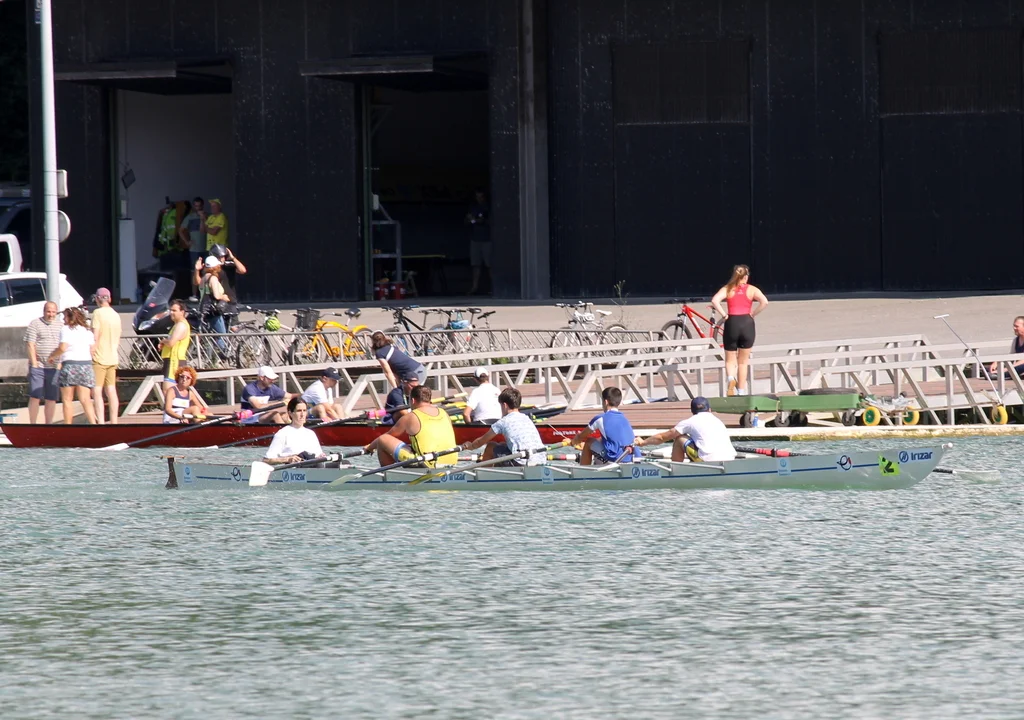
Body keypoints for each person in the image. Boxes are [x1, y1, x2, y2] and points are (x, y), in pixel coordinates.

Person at [363, 385, 457, 468]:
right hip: (451, 462)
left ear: (412, 400)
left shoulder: (411, 416)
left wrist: (370, 447)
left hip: (427, 463)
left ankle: (389, 476)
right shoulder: (444, 413)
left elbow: (388, 436)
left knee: (382, 439)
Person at [711, 264, 769, 396]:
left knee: (730, 359)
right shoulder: (752, 289)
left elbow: (715, 300)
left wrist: (724, 315)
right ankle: (741, 392)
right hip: (747, 323)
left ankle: (731, 379)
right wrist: (753, 313)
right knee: (743, 362)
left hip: (732, 322)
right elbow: (765, 302)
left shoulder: (728, 288)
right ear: (746, 276)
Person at [459, 387, 545, 466]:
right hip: (540, 461)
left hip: (521, 462)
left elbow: (480, 442)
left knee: (490, 446)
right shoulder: (526, 418)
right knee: (503, 445)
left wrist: (470, 446)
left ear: (505, 405)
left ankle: (483, 475)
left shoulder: (503, 422)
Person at [634, 396, 736, 462]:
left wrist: (643, 442)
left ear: (692, 411)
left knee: (679, 438)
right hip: (730, 459)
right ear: (709, 410)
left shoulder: (689, 422)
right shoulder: (718, 421)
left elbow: (662, 437)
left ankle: (675, 471)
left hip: (708, 461)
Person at [47, 306, 98, 425]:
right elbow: (92, 349)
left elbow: (62, 348)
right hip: (85, 365)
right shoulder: (87, 331)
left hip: (70, 365)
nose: (63, 319)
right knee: (85, 399)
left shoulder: (66, 329)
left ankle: (68, 426)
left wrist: (52, 356)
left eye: (65, 316)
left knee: (67, 399)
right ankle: (93, 424)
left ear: (70, 318)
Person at [568, 387, 641, 465]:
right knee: (600, 441)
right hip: (632, 459)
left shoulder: (600, 418)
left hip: (616, 460)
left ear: (605, 402)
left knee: (589, 441)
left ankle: (583, 471)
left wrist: (572, 442)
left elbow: (581, 437)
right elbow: (611, 439)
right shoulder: (624, 418)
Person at [24, 301, 62, 424]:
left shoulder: (61, 325)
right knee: (35, 396)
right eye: (48, 312)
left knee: (51, 398)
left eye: (53, 312)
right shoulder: (35, 323)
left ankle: (48, 424)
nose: (51, 314)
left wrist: (60, 364)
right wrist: (34, 363)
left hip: (54, 367)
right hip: (38, 366)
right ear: (44, 311)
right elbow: (30, 344)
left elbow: (63, 346)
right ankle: (33, 424)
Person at [90, 288, 122, 424]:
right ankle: (114, 421)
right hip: (112, 357)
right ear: (109, 299)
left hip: (99, 357)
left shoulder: (97, 313)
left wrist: (91, 352)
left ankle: (101, 422)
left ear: (97, 299)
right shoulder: (116, 315)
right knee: (111, 390)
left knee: (97, 391)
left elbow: (95, 336)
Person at [264, 397, 326, 465]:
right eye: (299, 411)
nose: (302, 414)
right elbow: (266, 460)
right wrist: (287, 459)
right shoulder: (282, 434)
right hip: (294, 469)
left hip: (312, 467)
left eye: (304, 410)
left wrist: (321, 456)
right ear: (290, 413)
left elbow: (319, 455)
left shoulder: (311, 433)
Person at [158, 299, 191, 393]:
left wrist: (163, 341)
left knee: (168, 391)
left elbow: (171, 343)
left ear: (182, 312)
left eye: (174, 310)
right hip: (172, 360)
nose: (171, 313)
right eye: (170, 310)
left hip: (174, 360)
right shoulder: (177, 325)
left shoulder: (181, 325)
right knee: (172, 391)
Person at [198, 255, 232, 345]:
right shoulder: (213, 278)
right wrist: (224, 297)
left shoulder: (203, 278)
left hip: (203, 309)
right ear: (215, 267)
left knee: (212, 334)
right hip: (213, 311)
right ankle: (222, 352)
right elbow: (216, 296)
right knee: (221, 336)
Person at [180, 197, 206, 300]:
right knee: (194, 271)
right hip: (194, 249)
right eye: (195, 206)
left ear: (202, 206)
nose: (197, 208)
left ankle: (205, 295)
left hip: (206, 248)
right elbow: (181, 230)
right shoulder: (190, 217)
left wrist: (203, 218)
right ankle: (195, 295)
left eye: (199, 206)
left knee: (207, 271)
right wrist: (187, 242)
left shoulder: (207, 216)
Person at [466, 188, 490, 295]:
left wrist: (474, 220)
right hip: (475, 239)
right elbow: (468, 220)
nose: (479, 199)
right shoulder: (473, 207)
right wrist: (473, 220)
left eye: (481, 197)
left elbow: (483, 220)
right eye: (477, 197)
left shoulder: (488, 207)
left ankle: (494, 287)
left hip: (487, 239)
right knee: (475, 265)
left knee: (490, 264)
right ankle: (474, 287)